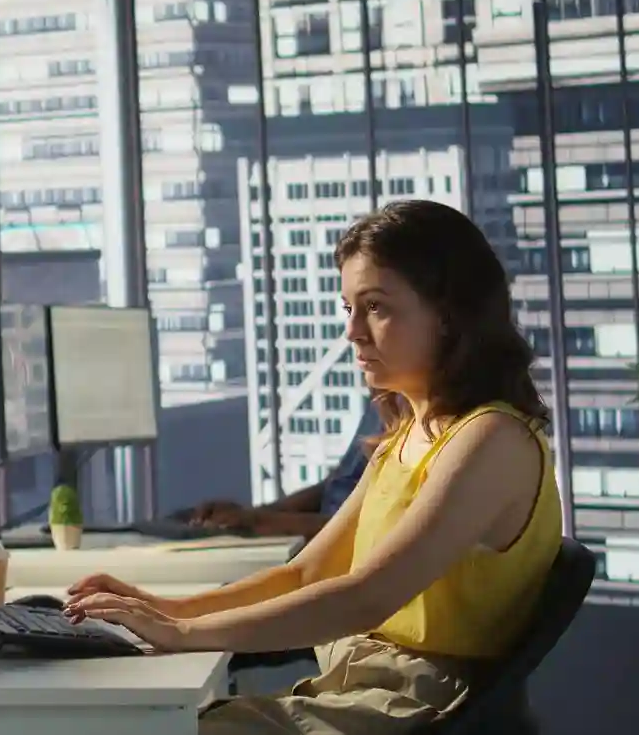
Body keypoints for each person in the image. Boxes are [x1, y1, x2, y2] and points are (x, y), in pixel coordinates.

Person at [63, 200, 561, 734]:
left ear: (447, 313)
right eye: (349, 309)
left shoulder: (491, 440)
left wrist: (182, 634)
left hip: (417, 703)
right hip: (363, 682)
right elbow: (306, 573)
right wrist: (166, 610)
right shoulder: (408, 434)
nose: (353, 333)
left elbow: (367, 597)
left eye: (376, 307)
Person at [184, 399, 384, 539]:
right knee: (179, 525)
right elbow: (338, 484)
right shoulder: (382, 400)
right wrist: (252, 515)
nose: (354, 338)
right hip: (317, 540)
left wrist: (264, 522)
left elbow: (377, 532)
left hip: (337, 555)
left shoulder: (411, 423)